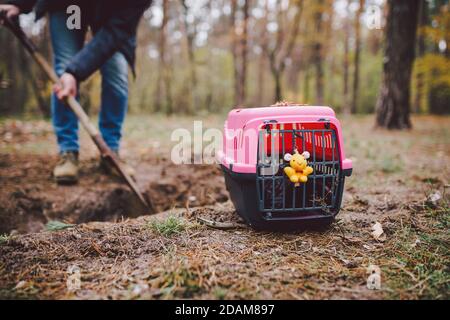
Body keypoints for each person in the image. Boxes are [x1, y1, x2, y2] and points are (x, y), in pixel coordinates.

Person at [0, 0, 152, 184]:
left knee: (116, 74)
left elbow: (117, 30)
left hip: (112, 14)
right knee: (64, 71)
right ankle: (68, 151)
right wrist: (19, 3)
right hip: (68, 5)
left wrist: (76, 72)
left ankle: (110, 152)